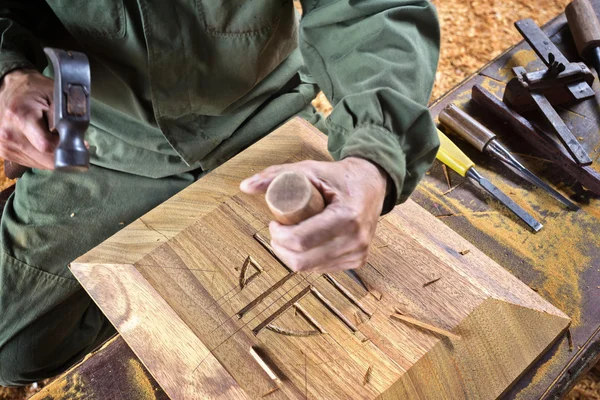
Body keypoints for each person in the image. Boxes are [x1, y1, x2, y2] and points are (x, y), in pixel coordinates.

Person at [0, 0, 440, 386]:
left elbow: (374, 6)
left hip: (258, 119)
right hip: (101, 142)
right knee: (12, 352)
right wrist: (7, 75)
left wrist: (373, 158)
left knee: (398, 293)